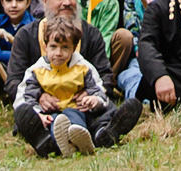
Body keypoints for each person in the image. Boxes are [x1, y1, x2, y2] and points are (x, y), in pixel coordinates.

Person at [14, 14, 123, 156]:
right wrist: (37, 114)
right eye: (53, 47)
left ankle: (82, 137)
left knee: (74, 115)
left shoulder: (83, 67)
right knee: (54, 121)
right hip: (50, 113)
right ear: (46, 47)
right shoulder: (36, 70)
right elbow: (27, 96)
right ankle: (59, 143)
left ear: (74, 48)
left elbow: (98, 89)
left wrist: (94, 100)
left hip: (76, 109)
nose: (58, 53)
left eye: (65, 47)